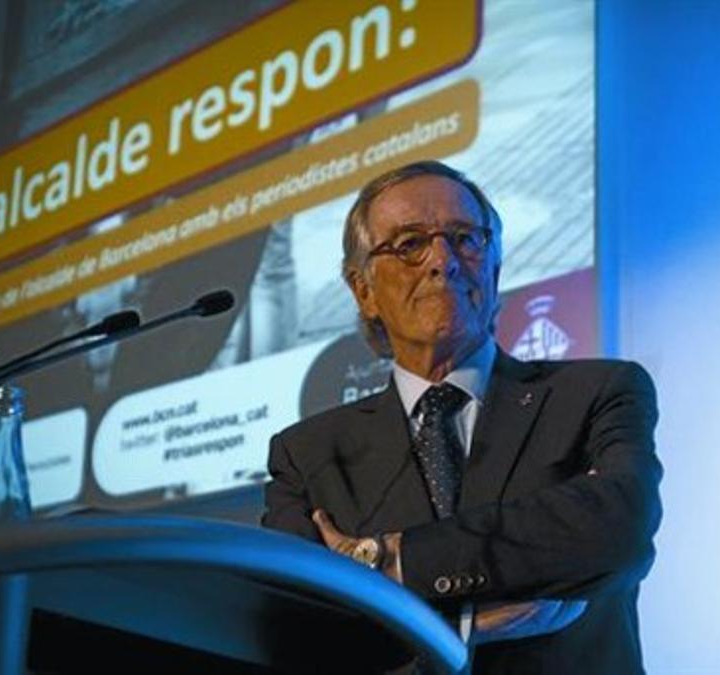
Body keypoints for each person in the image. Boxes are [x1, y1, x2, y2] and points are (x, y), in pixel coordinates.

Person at [262, 160, 662, 673]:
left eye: (465, 239)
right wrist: (462, 630)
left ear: (493, 268)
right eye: (409, 244)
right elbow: (302, 632)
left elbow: (616, 529)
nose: (442, 261)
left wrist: (388, 560)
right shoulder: (307, 454)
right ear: (363, 291)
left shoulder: (596, 392)